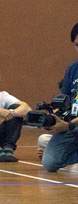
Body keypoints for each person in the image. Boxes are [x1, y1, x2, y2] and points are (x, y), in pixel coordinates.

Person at [41, 22, 78, 172]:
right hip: (73, 126)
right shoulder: (72, 69)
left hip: (73, 125)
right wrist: (54, 120)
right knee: (49, 163)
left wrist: (69, 125)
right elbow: (65, 102)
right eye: (77, 45)